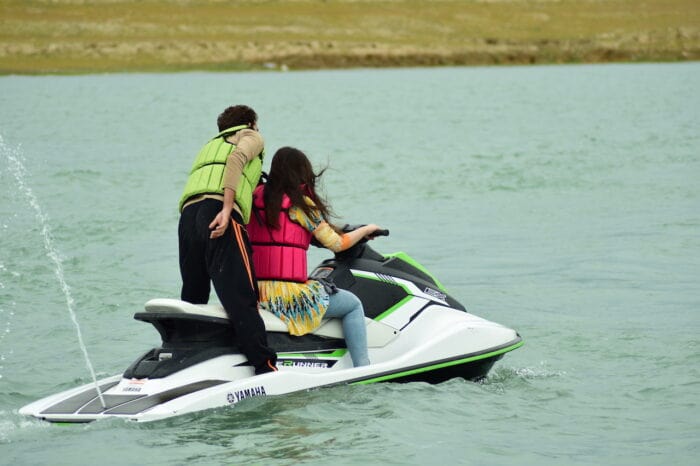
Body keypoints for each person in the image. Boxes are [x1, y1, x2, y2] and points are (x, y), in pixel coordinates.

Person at [247, 147, 382, 367]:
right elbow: (338, 244)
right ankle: (362, 366)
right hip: (288, 297)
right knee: (352, 304)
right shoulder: (300, 205)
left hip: (257, 293)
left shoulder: (253, 198)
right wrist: (367, 229)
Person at [178, 105, 277, 375]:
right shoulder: (251, 136)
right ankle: (265, 366)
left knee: (194, 293)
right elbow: (235, 162)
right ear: (251, 123)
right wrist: (226, 208)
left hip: (188, 217)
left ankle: (187, 357)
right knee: (241, 294)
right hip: (218, 212)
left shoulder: (210, 145)